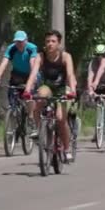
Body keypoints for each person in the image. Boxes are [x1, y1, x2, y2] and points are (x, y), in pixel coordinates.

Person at [23, 30, 78, 161]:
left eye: (53, 41)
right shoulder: (40, 57)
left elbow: (70, 75)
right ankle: (38, 131)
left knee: (60, 118)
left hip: (62, 89)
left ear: (59, 43)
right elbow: (33, 74)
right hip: (48, 87)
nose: (50, 44)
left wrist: (72, 91)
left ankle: (66, 148)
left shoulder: (65, 57)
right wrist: (27, 90)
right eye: (47, 41)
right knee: (40, 97)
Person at [0, 30, 39, 131]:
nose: (19, 44)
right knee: (12, 97)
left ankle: (31, 117)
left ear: (26, 41)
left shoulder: (32, 48)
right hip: (17, 75)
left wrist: (32, 80)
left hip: (30, 75)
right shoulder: (11, 48)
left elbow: (32, 63)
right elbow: (4, 63)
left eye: (21, 41)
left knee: (29, 96)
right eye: (17, 42)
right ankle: (14, 121)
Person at [87, 44, 105, 143]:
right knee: (98, 106)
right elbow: (90, 77)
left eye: (102, 55)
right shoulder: (93, 63)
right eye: (98, 55)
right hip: (98, 85)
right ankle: (97, 132)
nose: (100, 57)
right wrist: (91, 90)